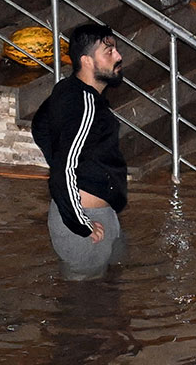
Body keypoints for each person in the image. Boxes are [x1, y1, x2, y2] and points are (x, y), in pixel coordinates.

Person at [31, 23, 129, 280]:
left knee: (106, 294)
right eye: (109, 52)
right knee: (85, 305)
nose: (118, 57)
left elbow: (39, 126)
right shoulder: (85, 103)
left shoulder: (69, 89)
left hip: (96, 216)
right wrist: (80, 223)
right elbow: (64, 169)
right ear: (87, 61)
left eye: (116, 49)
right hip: (86, 220)